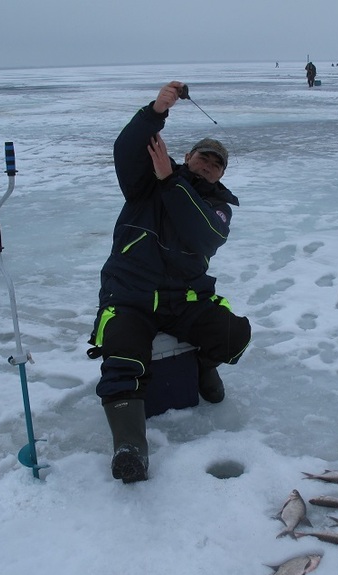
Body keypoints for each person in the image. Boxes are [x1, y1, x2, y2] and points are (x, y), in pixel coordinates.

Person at [87, 81, 252, 484]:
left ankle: (203, 367)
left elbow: (202, 235)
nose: (208, 165)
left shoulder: (217, 209)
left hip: (186, 298)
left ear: (221, 174)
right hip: (130, 295)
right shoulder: (144, 184)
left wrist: (171, 181)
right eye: (203, 157)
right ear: (187, 156)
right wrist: (156, 110)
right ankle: (130, 447)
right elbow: (127, 148)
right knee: (122, 357)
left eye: (216, 164)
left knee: (233, 332)